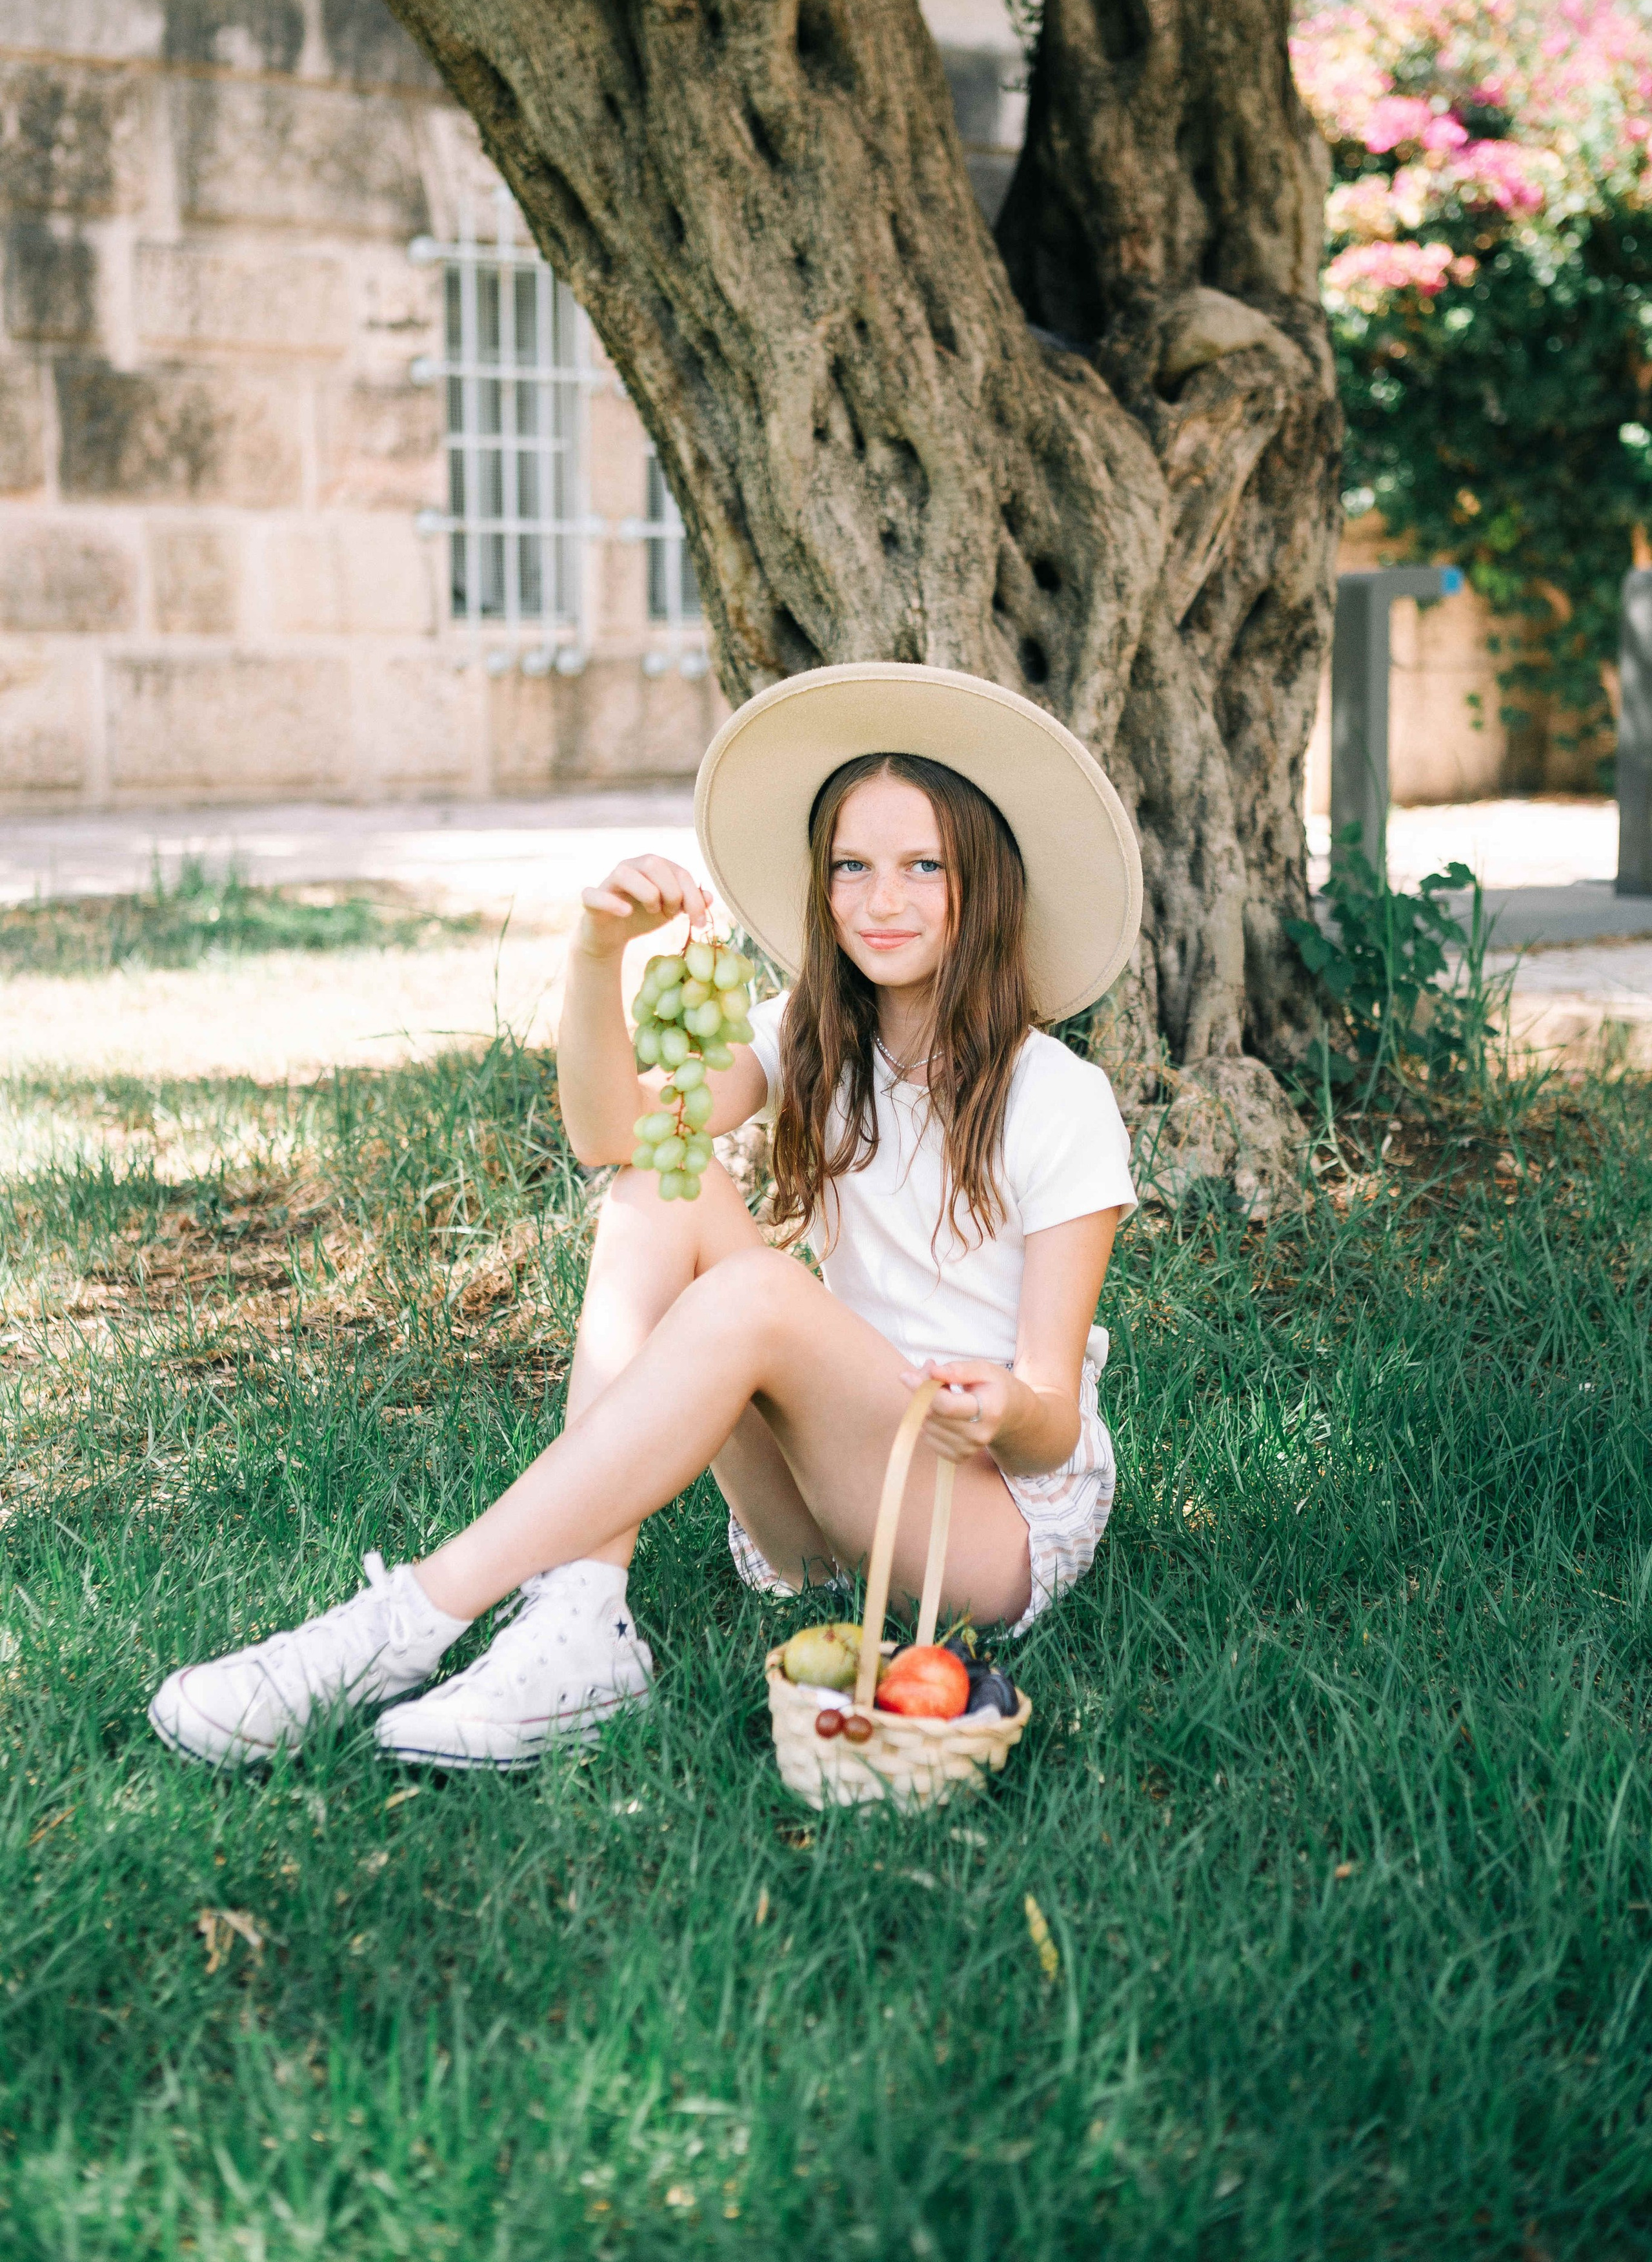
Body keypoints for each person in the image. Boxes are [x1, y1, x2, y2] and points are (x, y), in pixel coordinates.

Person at [149, 664, 1143, 1773]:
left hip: (987, 1526)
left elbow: (1053, 1418)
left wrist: (1004, 1405)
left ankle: (405, 1622)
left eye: (924, 868)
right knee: (663, 1172)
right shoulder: (810, 1034)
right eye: (851, 868)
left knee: (761, 1291)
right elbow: (613, 1133)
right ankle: (581, 1617)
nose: (881, 901)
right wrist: (595, 952)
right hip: (823, 1506)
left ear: (986, 886)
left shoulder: (1058, 1098)